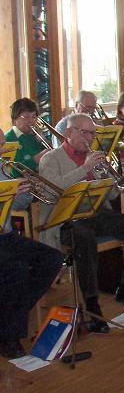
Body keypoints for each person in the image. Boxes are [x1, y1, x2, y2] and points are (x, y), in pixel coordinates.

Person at [39, 113, 124, 332]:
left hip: (96, 213)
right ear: (68, 133)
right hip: (65, 219)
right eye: (85, 133)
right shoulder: (51, 159)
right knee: (85, 239)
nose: (89, 138)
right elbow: (51, 191)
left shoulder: (94, 157)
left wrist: (111, 177)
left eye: (92, 134)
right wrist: (84, 169)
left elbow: (113, 195)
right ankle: (92, 305)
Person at [0, 128, 63, 359]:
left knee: (52, 258)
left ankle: (8, 317)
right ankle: (9, 336)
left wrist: (23, 192)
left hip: (6, 235)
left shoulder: (3, 167)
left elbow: (18, 206)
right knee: (16, 269)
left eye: (2, 145)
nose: (2, 151)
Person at [5, 98, 49, 175]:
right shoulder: (7, 140)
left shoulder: (37, 136)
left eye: (34, 116)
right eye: (26, 117)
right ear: (15, 118)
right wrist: (35, 160)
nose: (31, 121)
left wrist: (43, 141)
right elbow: (10, 172)